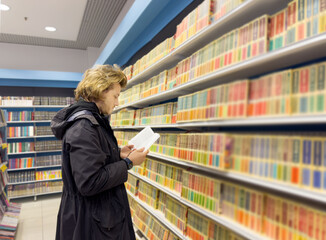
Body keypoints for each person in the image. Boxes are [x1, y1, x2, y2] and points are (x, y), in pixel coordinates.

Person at [51, 64, 148, 240]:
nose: (117, 102)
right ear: (101, 90)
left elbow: (92, 157)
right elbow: (90, 182)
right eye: (115, 96)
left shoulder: (91, 121)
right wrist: (128, 163)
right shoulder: (84, 127)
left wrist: (117, 154)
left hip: (97, 216)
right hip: (92, 223)